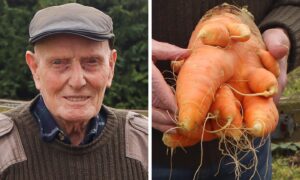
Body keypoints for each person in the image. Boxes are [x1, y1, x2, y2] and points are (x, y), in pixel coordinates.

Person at [152, 0, 299, 179]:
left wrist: (283, 29)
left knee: (253, 125)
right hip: (154, 151)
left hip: (249, 146)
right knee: (191, 119)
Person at [0, 3, 147, 180]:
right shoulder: (5, 148)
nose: (77, 81)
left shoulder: (142, 144)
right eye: (58, 63)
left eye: (92, 62)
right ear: (35, 69)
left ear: (111, 66)